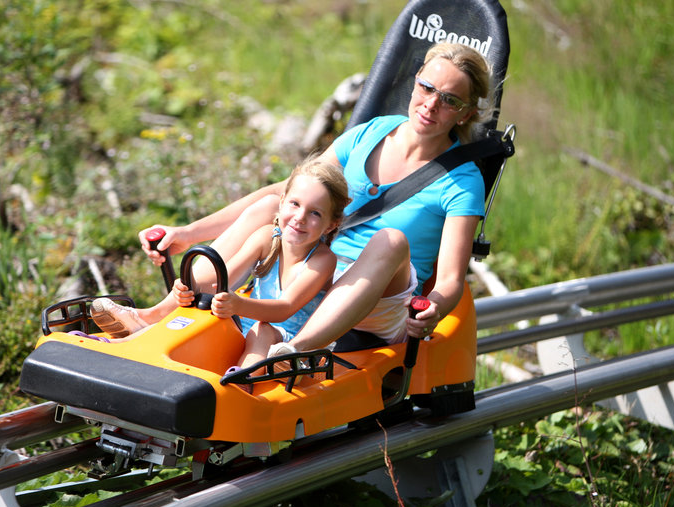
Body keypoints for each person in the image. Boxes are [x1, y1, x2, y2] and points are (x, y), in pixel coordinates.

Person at [114, 42, 494, 360]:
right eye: (427, 89)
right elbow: (289, 191)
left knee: (390, 239)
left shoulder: (462, 182)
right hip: (315, 268)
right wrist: (188, 232)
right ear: (415, 83)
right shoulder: (372, 133)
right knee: (273, 208)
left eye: (449, 101)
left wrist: (434, 309)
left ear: (468, 113)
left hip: (378, 298)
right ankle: (161, 314)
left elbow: (449, 280)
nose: (431, 105)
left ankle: (296, 351)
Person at [91, 159, 350, 369]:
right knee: (200, 312)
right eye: (294, 204)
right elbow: (222, 278)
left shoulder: (322, 260)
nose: (300, 217)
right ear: (281, 203)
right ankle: (127, 345)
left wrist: (237, 304)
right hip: (244, 324)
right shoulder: (266, 237)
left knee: (262, 331)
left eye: (315, 213)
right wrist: (187, 289)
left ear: (331, 224)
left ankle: (244, 380)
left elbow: (284, 309)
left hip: (287, 339)